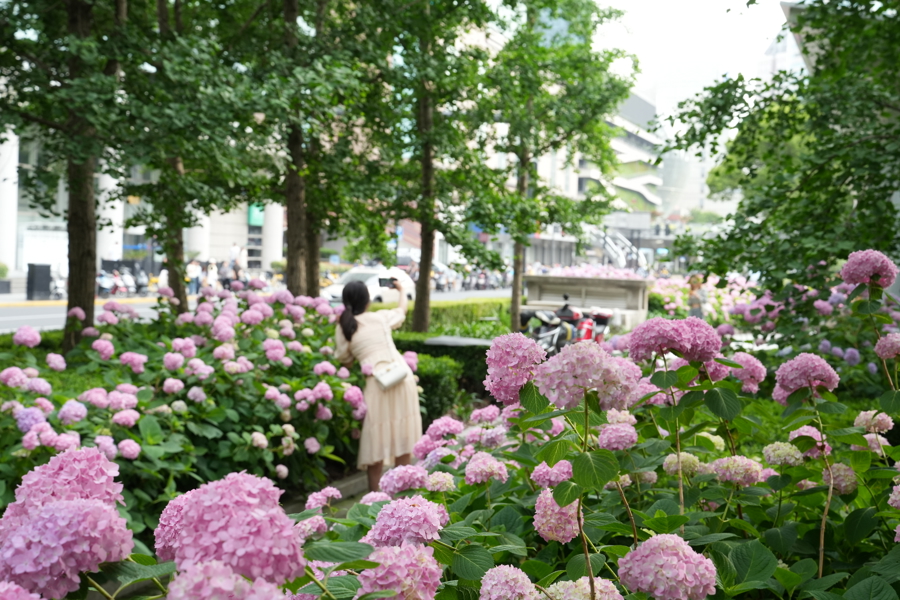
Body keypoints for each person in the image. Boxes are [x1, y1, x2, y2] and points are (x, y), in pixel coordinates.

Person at [334, 279, 421, 492]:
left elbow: (345, 360)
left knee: (376, 441)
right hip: (402, 377)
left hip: (377, 383)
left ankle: (375, 500)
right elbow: (402, 310)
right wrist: (401, 290)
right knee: (404, 437)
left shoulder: (344, 325)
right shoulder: (379, 318)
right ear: (367, 301)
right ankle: (404, 498)